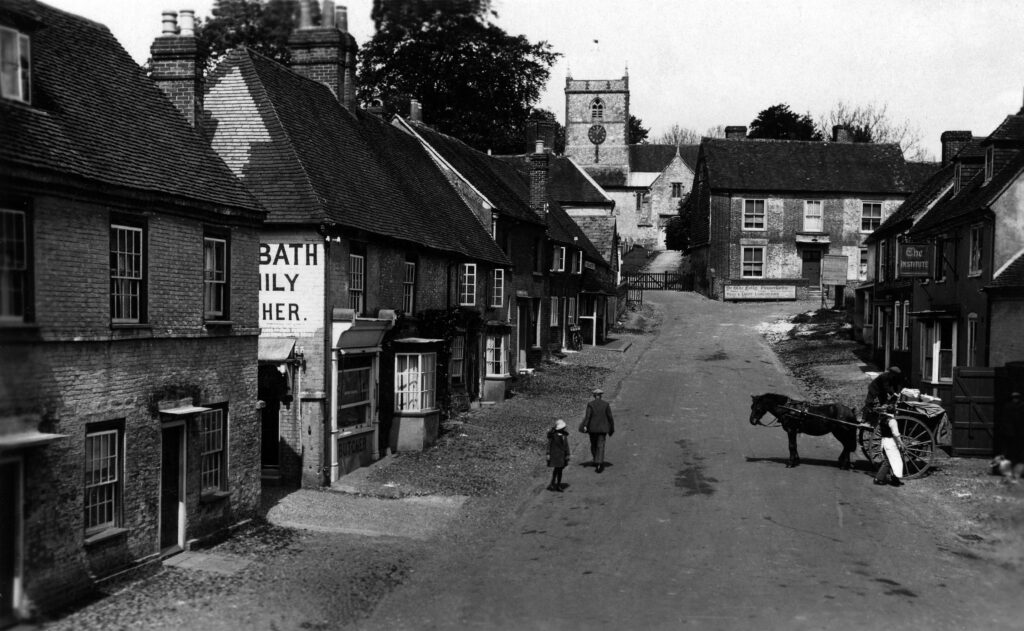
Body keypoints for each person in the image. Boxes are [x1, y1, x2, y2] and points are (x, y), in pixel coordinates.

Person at [580, 388, 614, 473]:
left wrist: (585, 426)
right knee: (601, 446)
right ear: (601, 396)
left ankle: (596, 460)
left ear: (594, 396)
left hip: (592, 429)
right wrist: (611, 428)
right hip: (603, 429)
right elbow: (610, 417)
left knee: (593, 445)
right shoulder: (605, 404)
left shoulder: (590, 404)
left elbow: (588, 416)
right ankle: (599, 463)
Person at [874, 411, 907, 487]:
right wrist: (901, 443)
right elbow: (895, 434)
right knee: (888, 461)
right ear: (895, 411)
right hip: (891, 442)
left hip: (884, 441)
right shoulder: (892, 421)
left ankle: (895, 479)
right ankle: (878, 479)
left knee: (895, 461)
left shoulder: (882, 419)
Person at [546, 419, 570, 492]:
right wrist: (548, 453)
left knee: (559, 470)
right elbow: (549, 445)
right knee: (557, 470)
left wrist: (567, 454)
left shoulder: (564, 435)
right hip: (555, 455)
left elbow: (566, 446)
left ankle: (556, 484)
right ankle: (554, 484)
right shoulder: (553, 436)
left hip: (561, 455)